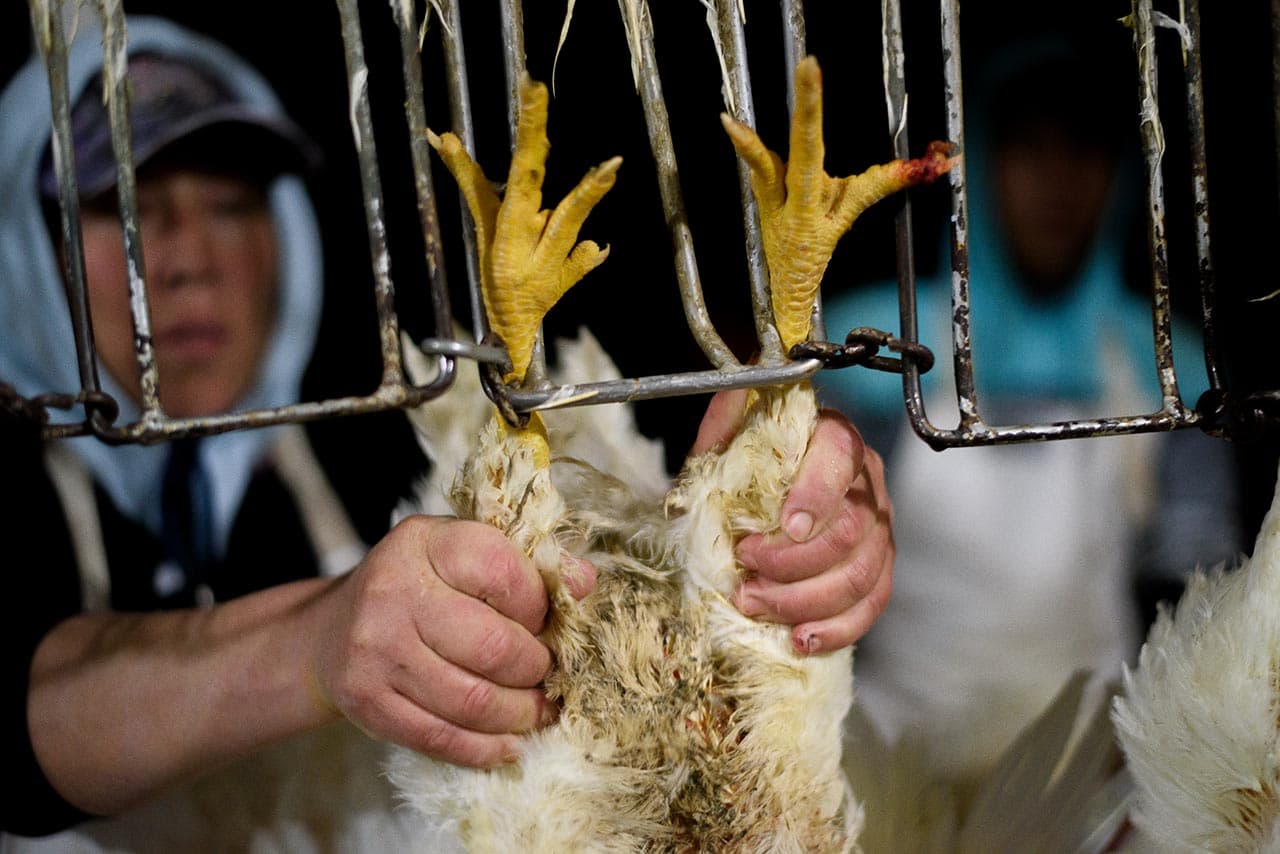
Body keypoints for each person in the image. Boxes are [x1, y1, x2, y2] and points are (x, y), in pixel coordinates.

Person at [0, 12, 895, 846]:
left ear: (284, 231)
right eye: (122, 207)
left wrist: (791, 519)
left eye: (231, 203)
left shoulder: (400, 414)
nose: (190, 257)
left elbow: (657, 518)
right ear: (25, 244)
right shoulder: (17, 464)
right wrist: (314, 644)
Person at [815, 33, 1242, 784]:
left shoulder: (1165, 362)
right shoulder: (875, 346)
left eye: (1082, 150)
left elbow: (1198, 583)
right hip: (889, 761)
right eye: (1027, 147)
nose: (1057, 180)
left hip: (1090, 770)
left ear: (1118, 173)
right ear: (979, 166)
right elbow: (809, 563)